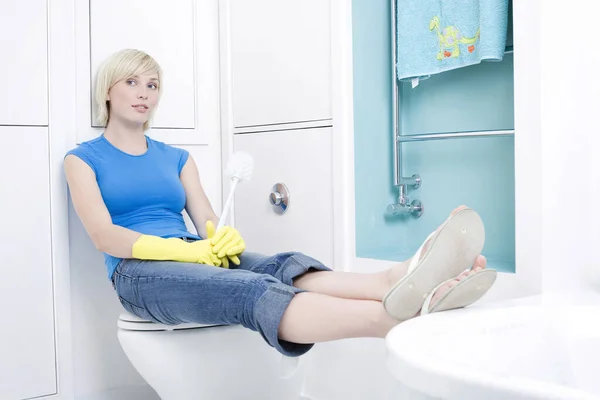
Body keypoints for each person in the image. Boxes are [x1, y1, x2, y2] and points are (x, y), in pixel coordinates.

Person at [64, 49, 497, 357]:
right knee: (254, 289)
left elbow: (207, 218)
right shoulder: (82, 159)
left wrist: (219, 237)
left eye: (153, 84)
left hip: (196, 256)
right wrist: (183, 249)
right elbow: (106, 236)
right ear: (109, 90)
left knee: (283, 265)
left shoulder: (176, 157)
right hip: (138, 274)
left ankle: (393, 281)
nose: (144, 92)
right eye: (132, 82)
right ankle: (394, 321)